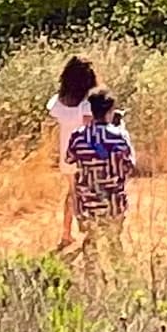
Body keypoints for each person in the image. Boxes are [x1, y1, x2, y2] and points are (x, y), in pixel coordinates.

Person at [66, 85, 137, 247]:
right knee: (114, 241)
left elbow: (69, 158)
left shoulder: (78, 136)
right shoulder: (119, 136)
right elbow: (130, 165)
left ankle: (91, 263)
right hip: (113, 201)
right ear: (110, 111)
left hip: (87, 201)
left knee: (91, 241)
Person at [45, 55, 98, 247]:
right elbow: (89, 129)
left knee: (72, 193)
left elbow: (52, 120)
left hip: (66, 154)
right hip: (85, 155)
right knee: (88, 194)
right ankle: (88, 231)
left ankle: (66, 234)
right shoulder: (87, 104)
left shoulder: (59, 101)